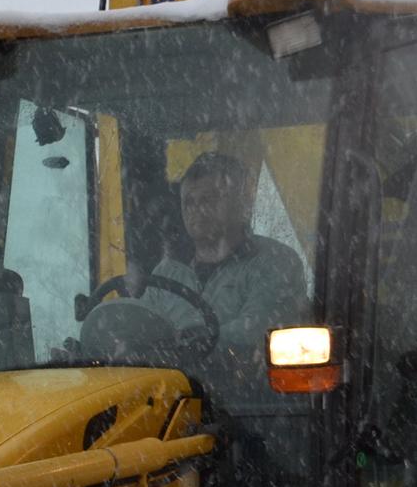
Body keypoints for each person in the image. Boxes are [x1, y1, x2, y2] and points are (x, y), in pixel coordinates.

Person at [132, 150, 308, 360]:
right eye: (189, 202)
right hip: (169, 387)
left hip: (242, 387)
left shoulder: (274, 261)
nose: (197, 209)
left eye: (208, 199)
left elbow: (256, 329)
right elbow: (142, 326)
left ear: (241, 202)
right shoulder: (167, 272)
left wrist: (186, 341)